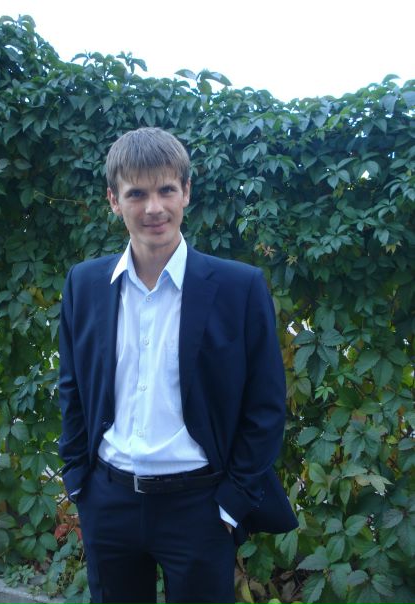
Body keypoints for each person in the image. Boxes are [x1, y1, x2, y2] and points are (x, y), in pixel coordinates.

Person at [58, 127, 297, 604]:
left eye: (166, 189)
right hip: (109, 502)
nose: (154, 208)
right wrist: (79, 481)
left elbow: (266, 406)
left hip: (200, 508)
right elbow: (73, 387)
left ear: (186, 192)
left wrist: (231, 503)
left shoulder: (239, 288)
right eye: (136, 194)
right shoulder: (84, 285)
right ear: (114, 200)